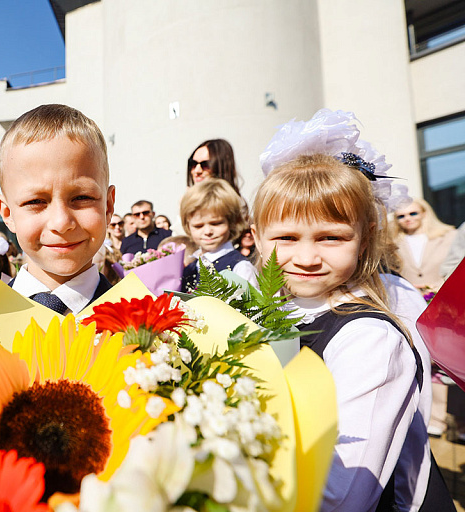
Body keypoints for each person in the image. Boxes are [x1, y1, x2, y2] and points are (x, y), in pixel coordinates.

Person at [253, 108, 451, 512]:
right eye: (286, 237)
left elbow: (343, 496)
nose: (306, 257)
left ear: (365, 239)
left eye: (331, 237)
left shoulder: (370, 340)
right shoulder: (265, 309)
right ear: (256, 238)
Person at [0, 103, 115, 315]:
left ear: (108, 206)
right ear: (7, 213)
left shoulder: (157, 333)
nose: (61, 223)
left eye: (82, 197)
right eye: (35, 202)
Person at [180, 178, 257, 291]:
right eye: (198, 226)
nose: (207, 232)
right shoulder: (190, 270)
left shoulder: (240, 267)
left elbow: (253, 306)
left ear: (231, 222)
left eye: (216, 224)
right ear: (188, 226)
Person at [390, 198, 456, 291]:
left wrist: (439, 286)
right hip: (411, 298)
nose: (408, 218)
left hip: (446, 294)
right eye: (401, 216)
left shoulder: (450, 236)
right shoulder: (392, 244)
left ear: (424, 213)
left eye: (413, 213)